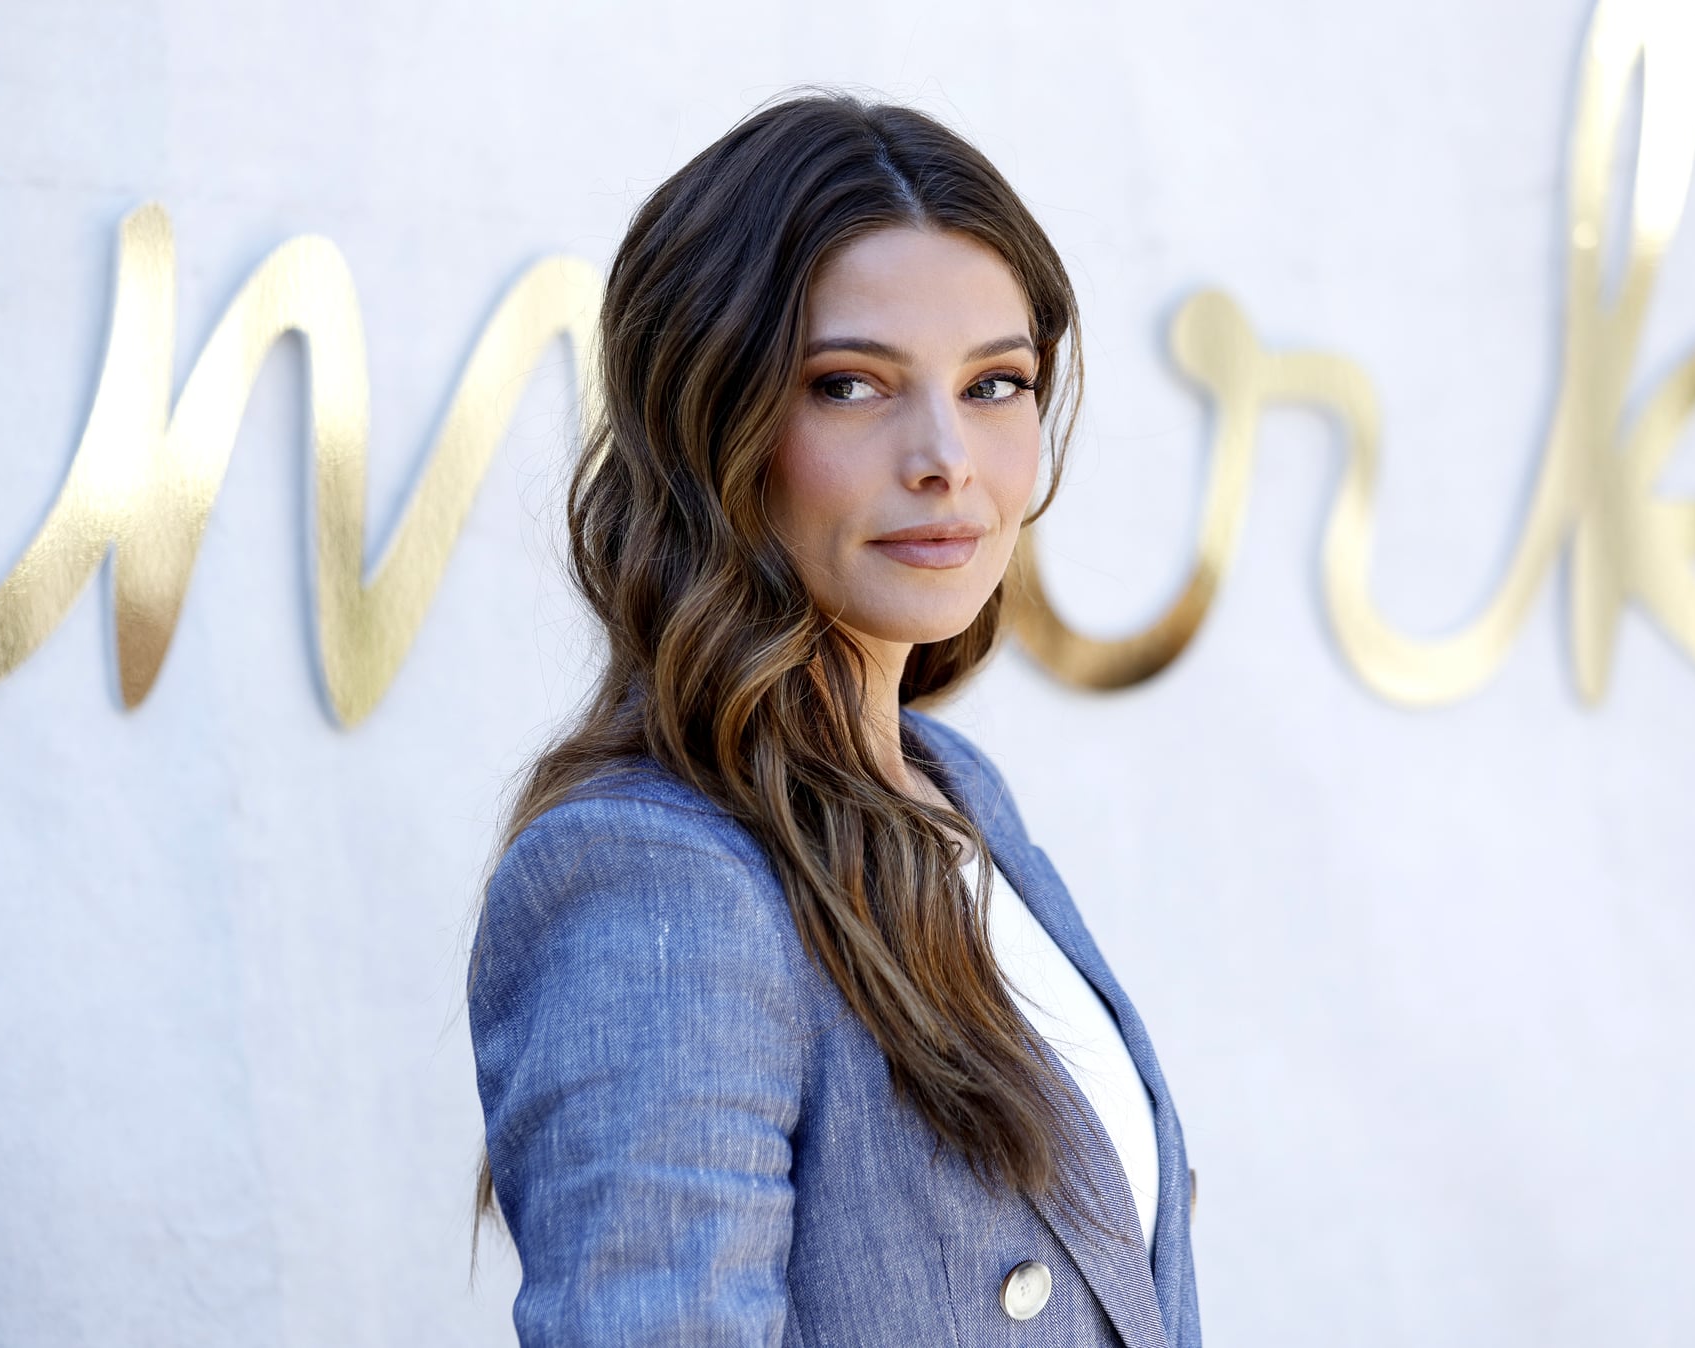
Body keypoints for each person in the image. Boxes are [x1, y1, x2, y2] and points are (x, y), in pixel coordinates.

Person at [466, 90, 1200, 1346]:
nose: (944, 458)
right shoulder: (655, 876)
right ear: (710, 420)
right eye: (850, 385)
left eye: (995, 384)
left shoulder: (954, 788)